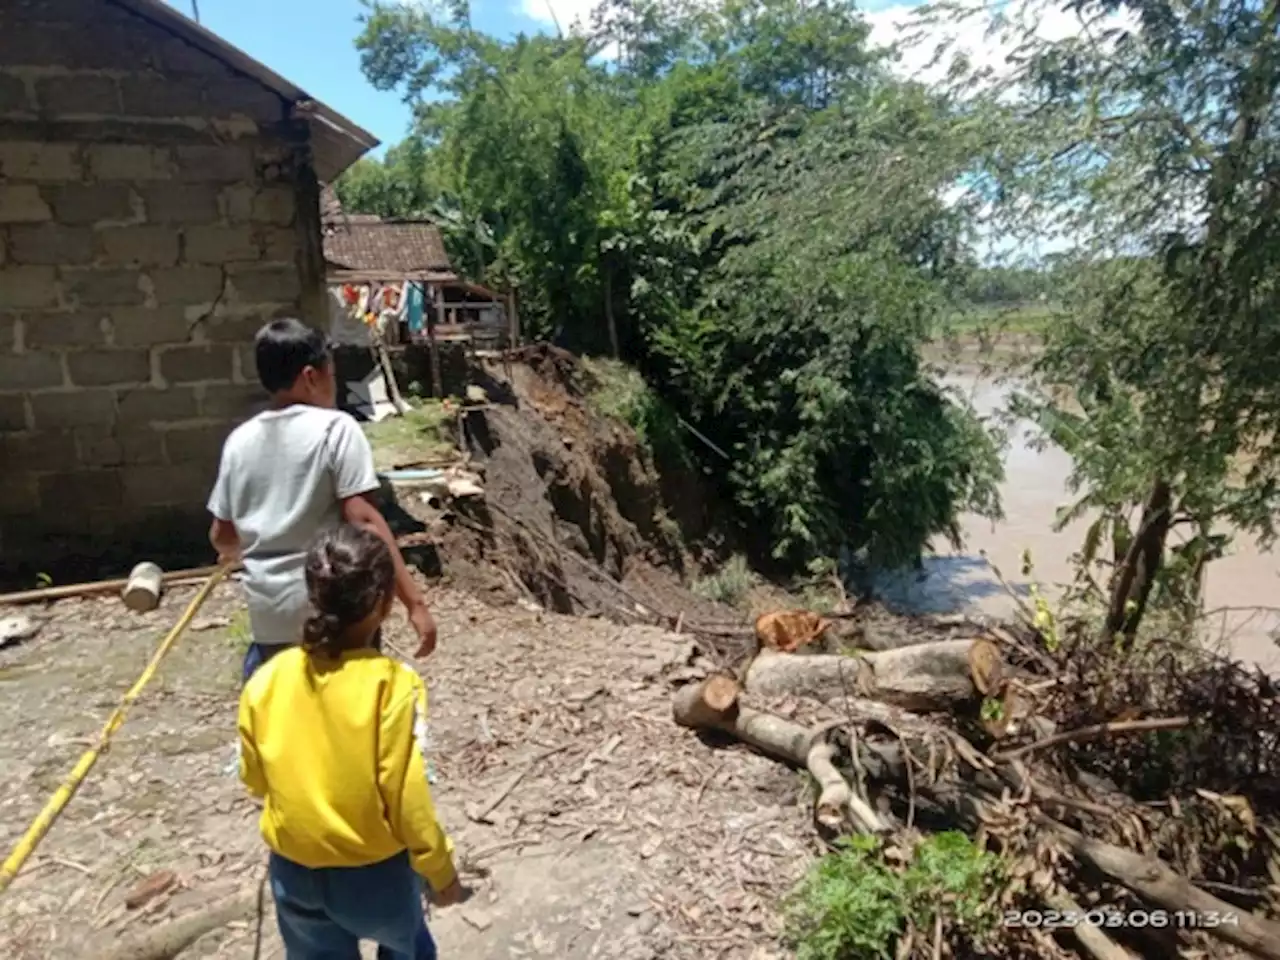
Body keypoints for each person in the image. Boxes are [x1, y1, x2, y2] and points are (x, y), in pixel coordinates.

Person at [238, 524, 465, 959]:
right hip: (375, 874)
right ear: (383, 605)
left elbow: (254, 779)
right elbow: (407, 801)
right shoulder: (393, 688)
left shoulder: (266, 680)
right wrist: (441, 871)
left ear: (313, 595)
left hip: (294, 872)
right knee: (409, 948)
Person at [207, 317, 437, 682]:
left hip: (268, 617)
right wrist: (415, 603)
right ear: (311, 376)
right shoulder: (337, 429)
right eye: (332, 373)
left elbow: (222, 535)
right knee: (344, 715)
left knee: (284, 718)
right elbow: (363, 521)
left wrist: (240, 548)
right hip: (333, 608)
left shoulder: (239, 441)